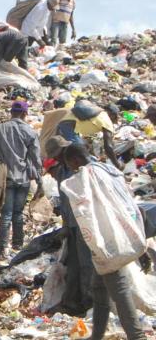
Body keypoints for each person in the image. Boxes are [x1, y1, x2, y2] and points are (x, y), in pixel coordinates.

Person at [54, 141, 146, 340]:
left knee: (119, 290)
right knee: (99, 289)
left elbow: (86, 210)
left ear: (76, 160)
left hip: (107, 241)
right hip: (120, 234)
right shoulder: (108, 170)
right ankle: (97, 335)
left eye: (70, 164)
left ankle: (137, 336)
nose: (70, 169)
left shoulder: (87, 177)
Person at [0, 101, 43, 256]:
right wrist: (40, 182)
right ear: (25, 114)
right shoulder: (30, 132)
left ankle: (2, 248)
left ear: (11, 112)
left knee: (6, 214)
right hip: (24, 177)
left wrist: (3, 156)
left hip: (6, 176)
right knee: (18, 213)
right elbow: (36, 159)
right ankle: (18, 246)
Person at [56, 99, 121, 168]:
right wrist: (118, 164)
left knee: (79, 154)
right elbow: (108, 147)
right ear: (113, 115)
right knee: (83, 157)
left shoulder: (98, 113)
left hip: (63, 125)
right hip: (69, 127)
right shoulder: (106, 120)